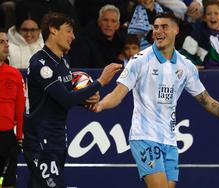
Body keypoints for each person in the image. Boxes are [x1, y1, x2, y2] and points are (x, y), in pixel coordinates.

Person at [92, 12, 219, 188]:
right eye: (156, 27)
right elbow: (118, 94)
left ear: (176, 30)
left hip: (170, 141)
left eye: (164, 27)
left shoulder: (185, 66)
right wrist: (101, 105)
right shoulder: (139, 61)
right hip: (144, 137)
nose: (158, 31)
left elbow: (207, 101)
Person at [22, 12, 122, 187]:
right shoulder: (41, 63)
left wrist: (88, 101)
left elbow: (68, 96)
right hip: (41, 142)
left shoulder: (63, 63)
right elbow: (66, 99)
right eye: (69, 31)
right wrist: (100, 82)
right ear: (53, 30)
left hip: (57, 139)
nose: (73, 36)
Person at [181, 0, 219, 69]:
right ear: (204, 18)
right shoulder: (196, 34)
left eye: (216, 13)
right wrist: (193, 67)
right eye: (209, 14)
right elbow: (184, 56)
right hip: (205, 76)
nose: (212, 16)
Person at [0, 28, 26, 188]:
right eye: (1, 42)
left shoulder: (15, 74)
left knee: (8, 183)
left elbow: (20, 109)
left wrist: (19, 138)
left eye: (7, 41)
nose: (6, 45)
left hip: (7, 138)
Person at [69, 4, 125, 68]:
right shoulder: (85, 42)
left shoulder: (122, 44)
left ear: (118, 25)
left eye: (113, 21)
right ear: (99, 22)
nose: (109, 24)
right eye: (105, 20)